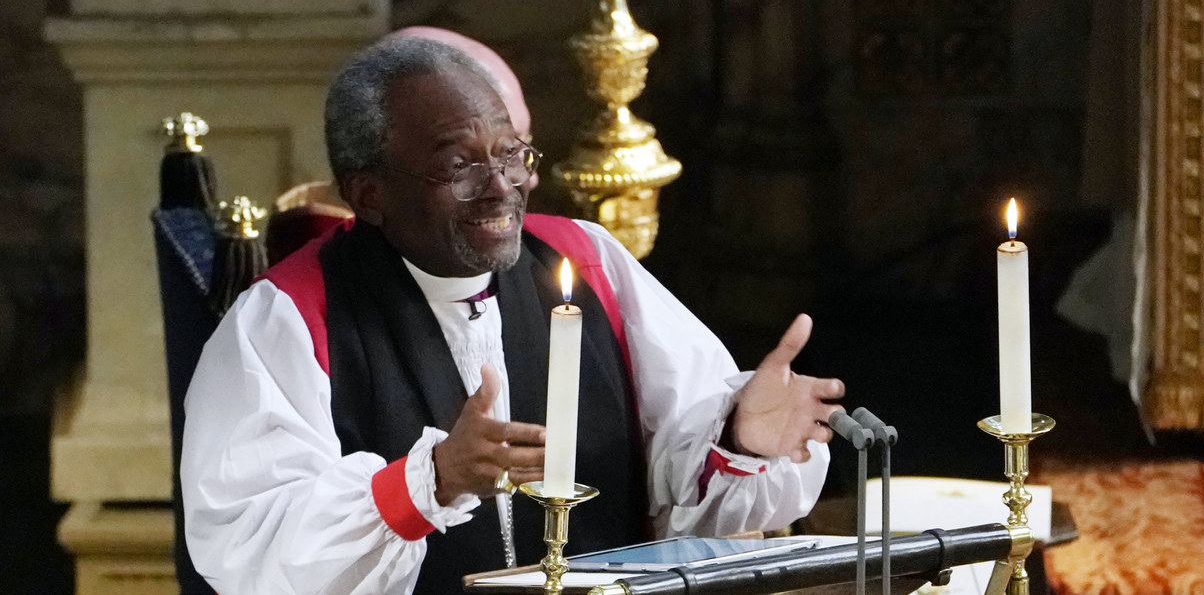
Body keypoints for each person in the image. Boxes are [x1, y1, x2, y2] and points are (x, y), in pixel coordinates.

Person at [180, 35, 846, 594]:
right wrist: (427, 483)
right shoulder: (287, 317)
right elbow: (248, 544)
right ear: (370, 193)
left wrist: (742, 440)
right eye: (460, 164)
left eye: (509, 153)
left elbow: (685, 481)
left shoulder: (589, 262)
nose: (501, 185)